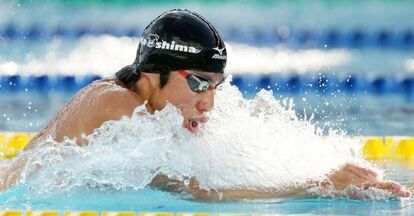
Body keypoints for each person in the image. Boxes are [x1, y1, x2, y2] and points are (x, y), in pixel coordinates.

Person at [0, 9, 410, 200]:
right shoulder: (120, 107)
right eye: (199, 84)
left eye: (216, 86)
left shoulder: (151, 107)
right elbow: (195, 191)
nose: (208, 104)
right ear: (154, 73)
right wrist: (318, 187)